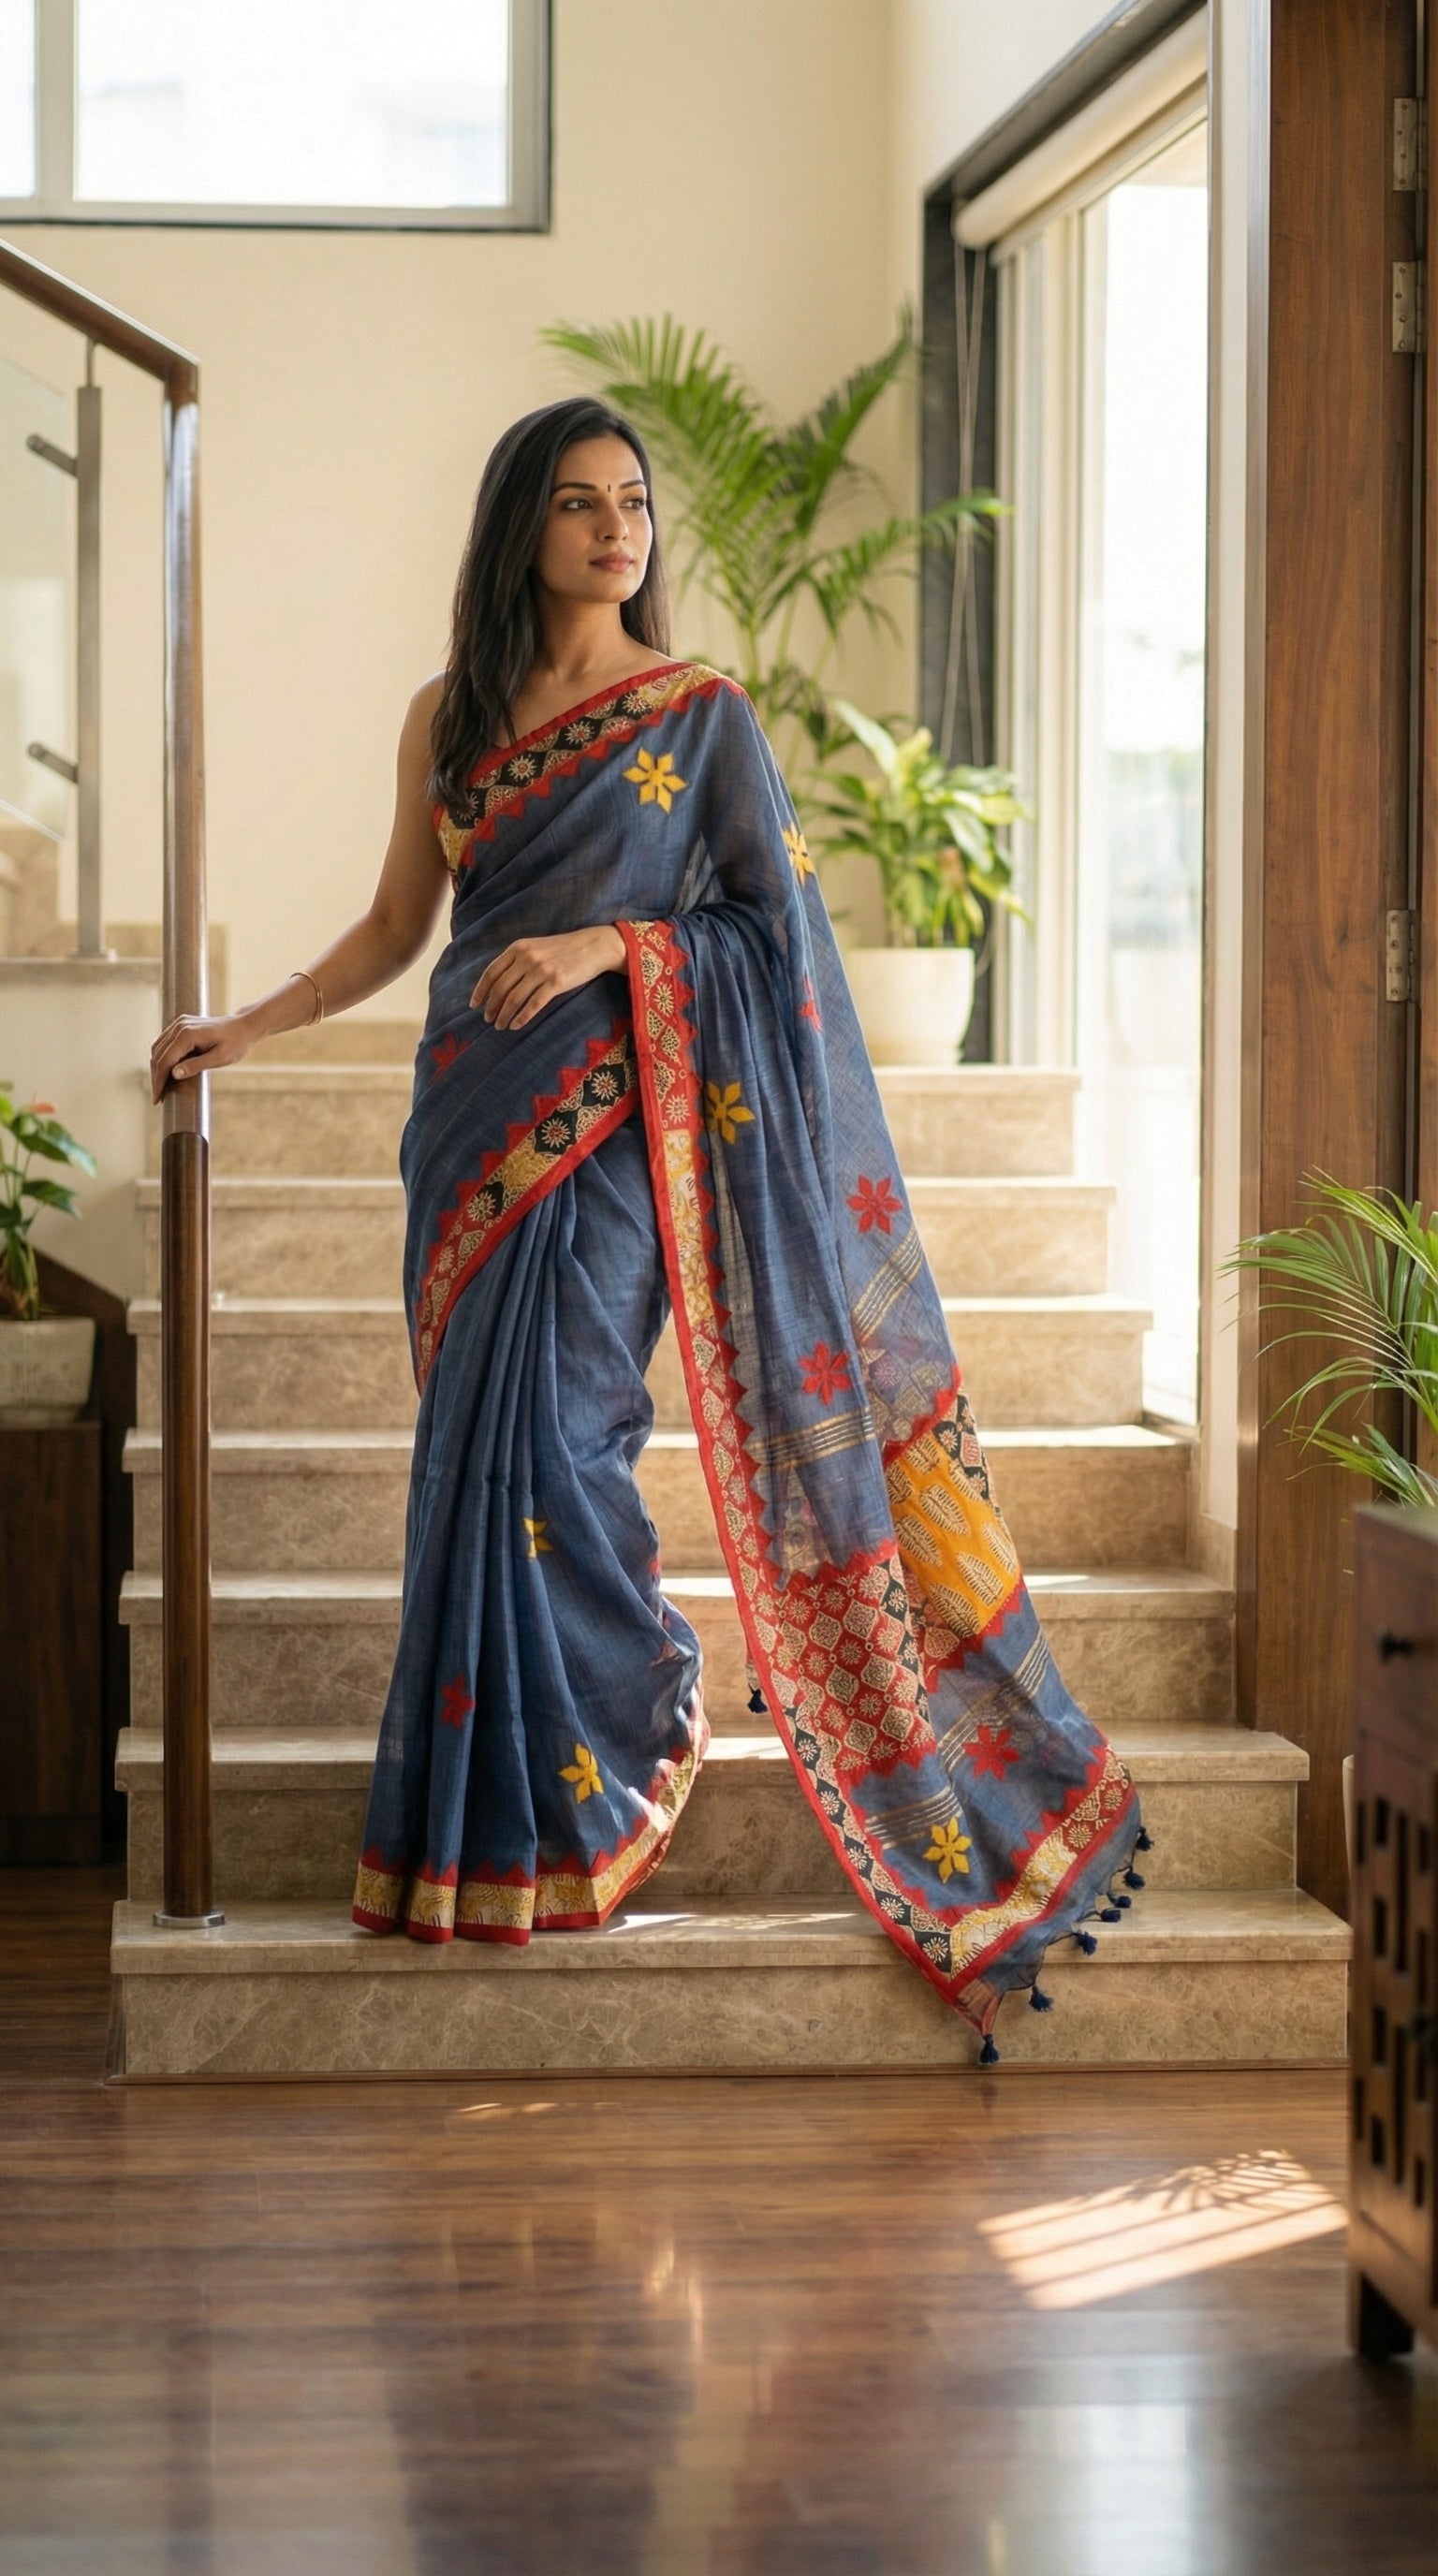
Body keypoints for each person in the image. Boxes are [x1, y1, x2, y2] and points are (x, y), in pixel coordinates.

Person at [151, 396, 1145, 2054]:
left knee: (562, 1441)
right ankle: (488, 1832)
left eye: (634, 503)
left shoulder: (701, 715)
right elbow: (399, 921)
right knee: (474, 1462)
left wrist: (617, 947)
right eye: (580, 503)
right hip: (468, 1121)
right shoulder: (447, 716)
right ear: (520, 528)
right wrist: (252, 1026)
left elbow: (774, 933)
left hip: (615, 1129)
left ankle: (622, 1730)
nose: (619, 530)